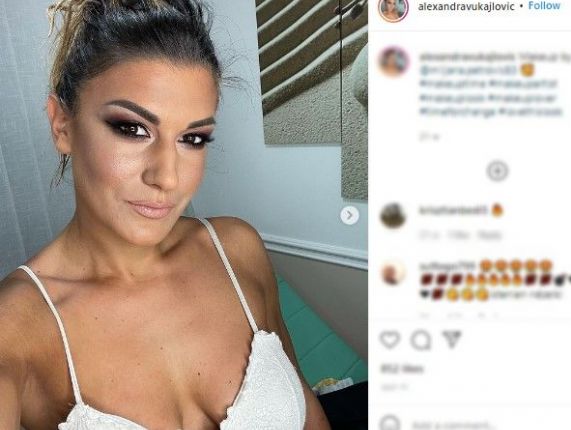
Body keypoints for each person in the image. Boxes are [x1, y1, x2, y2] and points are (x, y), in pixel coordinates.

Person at [0, 0, 331, 428]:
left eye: (193, 138)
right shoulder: (18, 326)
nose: (167, 177)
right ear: (62, 125)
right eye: (132, 129)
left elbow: (307, 411)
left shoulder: (236, 250)